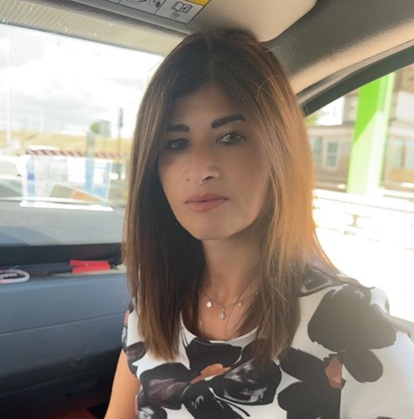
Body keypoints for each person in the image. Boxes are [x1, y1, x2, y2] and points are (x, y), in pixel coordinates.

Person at [105, 30, 414, 419]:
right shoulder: (151, 304)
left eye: (230, 137)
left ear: (279, 151)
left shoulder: (351, 324)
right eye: (176, 143)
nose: (199, 170)